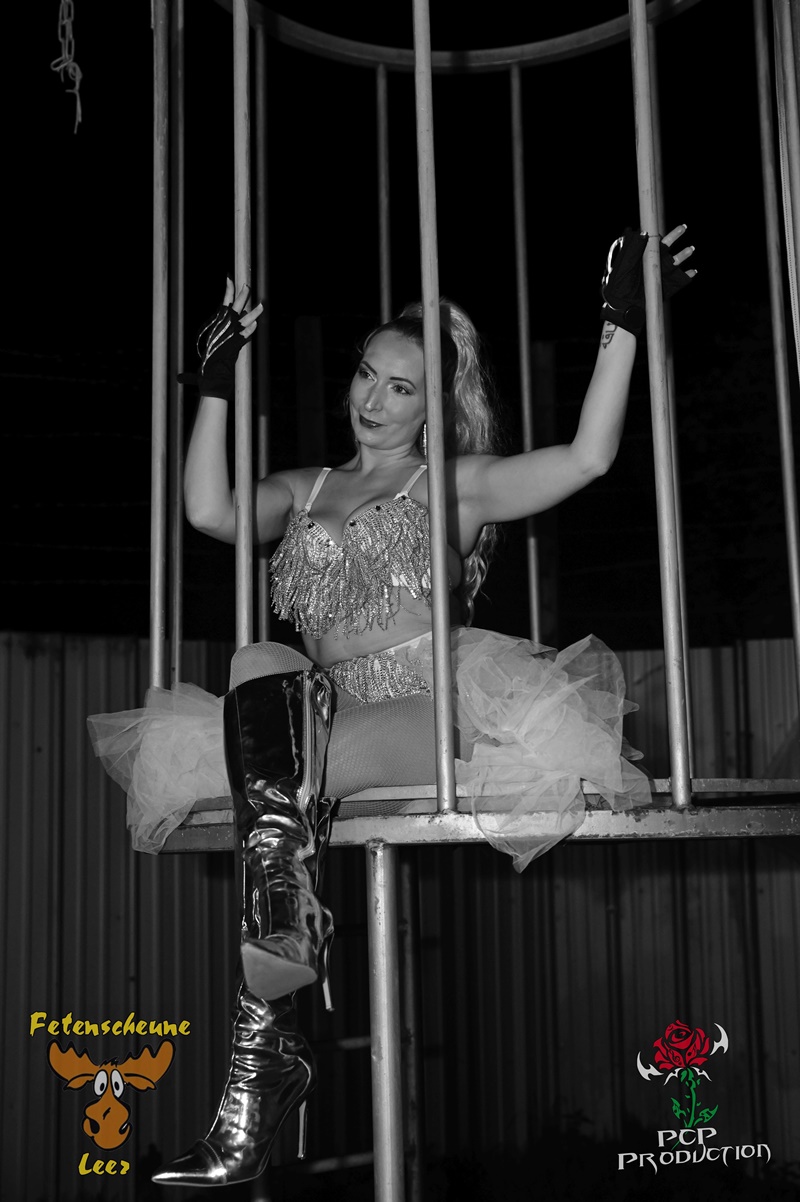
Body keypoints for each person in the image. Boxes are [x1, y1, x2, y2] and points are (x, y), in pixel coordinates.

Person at [88, 226, 695, 1187]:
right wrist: (212, 385)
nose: (373, 400)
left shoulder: (452, 487)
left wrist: (623, 322)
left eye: (401, 388)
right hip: (317, 716)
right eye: (367, 375)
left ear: (433, 405)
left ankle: (266, 1040)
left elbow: (587, 459)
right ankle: (267, 1033)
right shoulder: (308, 486)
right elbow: (209, 512)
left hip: (422, 709)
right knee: (257, 661)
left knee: (271, 771)